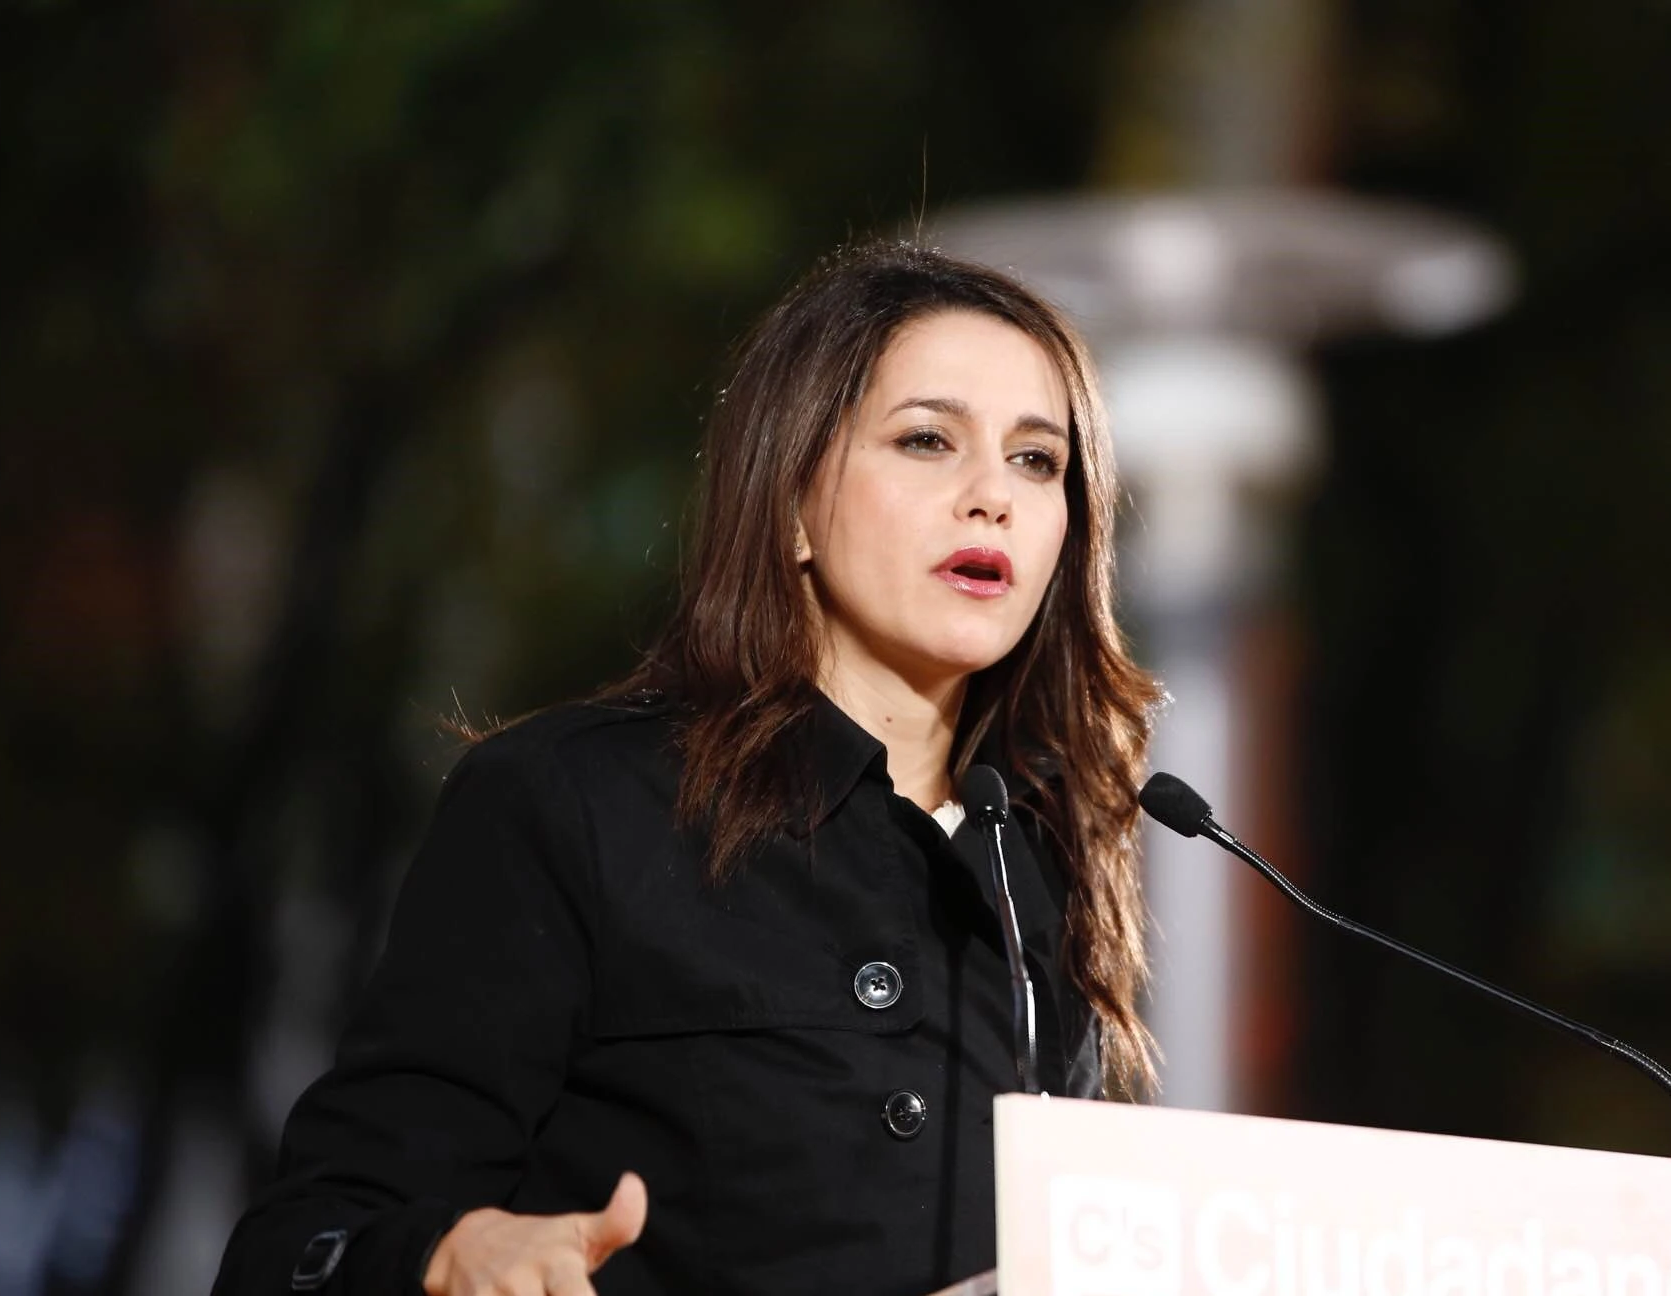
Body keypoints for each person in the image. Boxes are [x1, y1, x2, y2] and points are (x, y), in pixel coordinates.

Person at [211, 241, 1160, 1296]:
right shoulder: (577, 803)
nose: (993, 495)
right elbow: (293, 1250)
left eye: (1038, 460)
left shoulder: (1046, 866)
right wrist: (444, 1260)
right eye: (927, 439)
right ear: (793, 498)